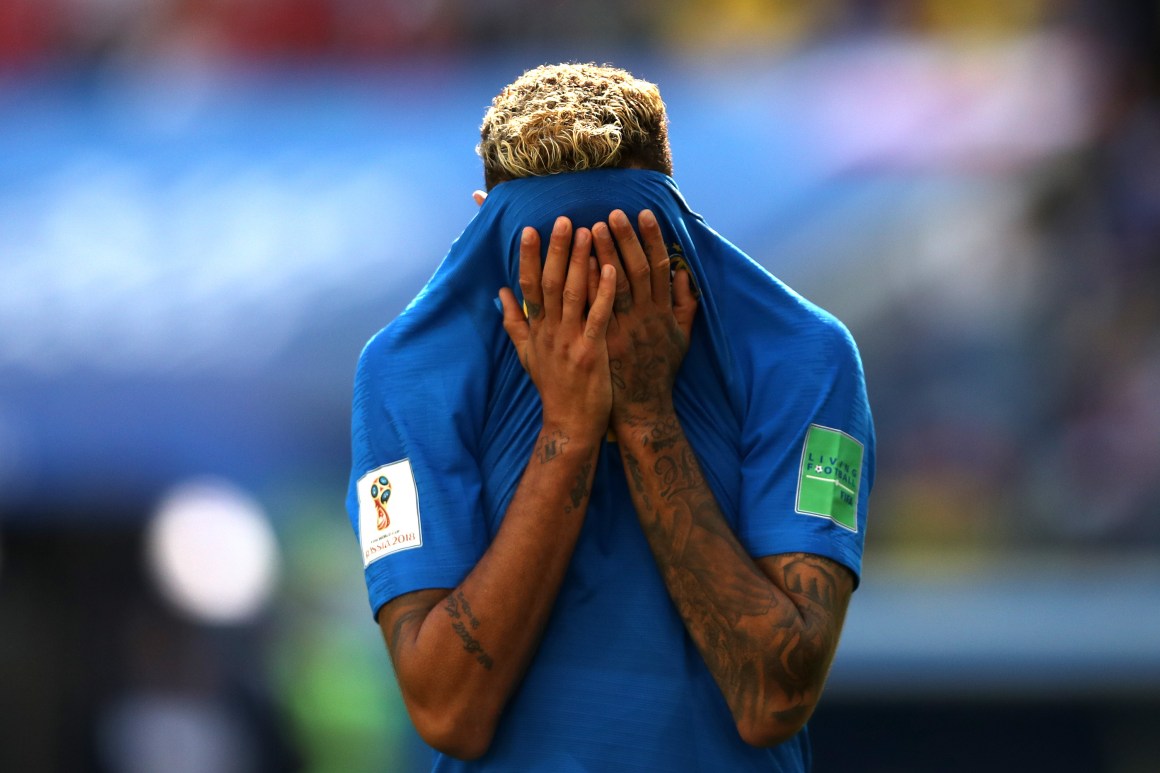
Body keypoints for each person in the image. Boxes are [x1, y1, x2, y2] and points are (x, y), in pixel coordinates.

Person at [346, 62, 875, 771]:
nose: (593, 300)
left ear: (680, 228)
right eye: (557, 265)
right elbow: (448, 711)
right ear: (486, 236)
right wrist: (568, 428)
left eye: (622, 256)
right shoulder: (405, 376)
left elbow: (772, 698)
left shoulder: (806, 359)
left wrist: (649, 413)